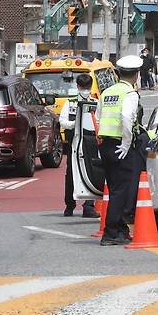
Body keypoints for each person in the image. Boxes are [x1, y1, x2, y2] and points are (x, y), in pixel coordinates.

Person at [95, 55, 142, 246]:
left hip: (106, 144)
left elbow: (98, 118)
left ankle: (120, 229)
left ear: (118, 73)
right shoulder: (129, 94)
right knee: (120, 190)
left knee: (115, 188)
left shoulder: (107, 92)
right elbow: (127, 117)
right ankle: (111, 232)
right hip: (120, 145)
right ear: (137, 75)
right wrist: (126, 142)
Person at [59, 73, 99, 218]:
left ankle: (88, 207)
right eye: (83, 87)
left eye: (87, 87)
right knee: (71, 173)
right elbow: (62, 122)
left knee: (90, 171)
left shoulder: (95, 102)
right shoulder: (70, 103)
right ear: (77, 87)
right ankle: (69, 205)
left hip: (90, 142)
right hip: (74, 143)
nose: (85, 90)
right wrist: (73, 124)